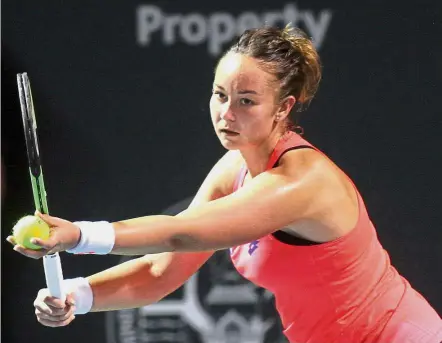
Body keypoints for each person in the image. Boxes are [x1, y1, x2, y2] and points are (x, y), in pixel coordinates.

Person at [7, 25, 442, 343]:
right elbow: (162, 269)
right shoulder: (233, 167)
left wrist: (80, 235)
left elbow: (180, 233)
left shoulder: (302, 182)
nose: (226, 113)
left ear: (283, 107)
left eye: (247, 101)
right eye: (220, 95)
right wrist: (77, 296)